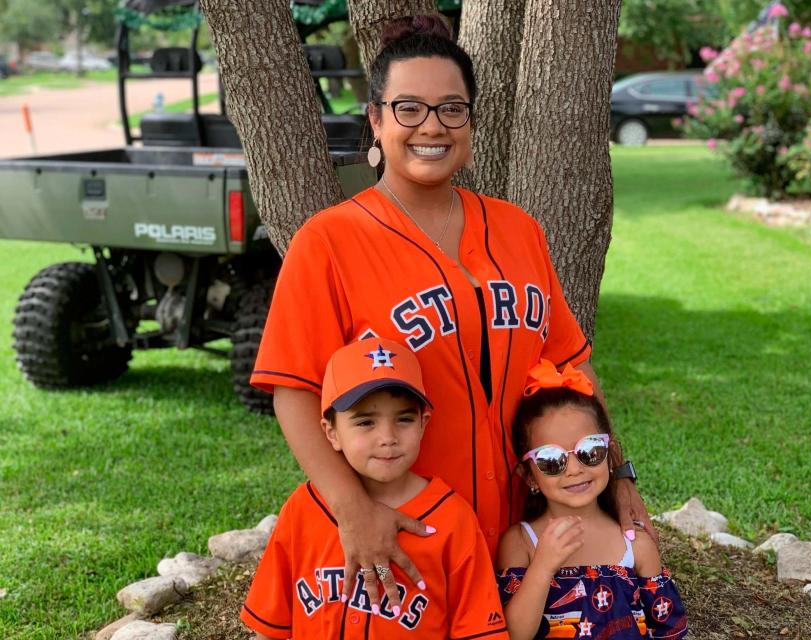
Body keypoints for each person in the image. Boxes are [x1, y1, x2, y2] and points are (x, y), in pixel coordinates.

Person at [250, 14, 655, 615]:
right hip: (413, 530)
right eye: (408, 108)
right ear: (377, 119)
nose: (431, 127)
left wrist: (618, 472)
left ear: (470, 120)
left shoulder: (518, 230)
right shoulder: (330, 240)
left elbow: (571, 368)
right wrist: (354, 510)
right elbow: (293, 390)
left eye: (451, 109)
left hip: (529, 528)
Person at [241, 337, 509, 640]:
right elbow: (269, 627)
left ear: (424, 423)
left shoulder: (452, 520)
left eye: (404, 419)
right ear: (331, 433)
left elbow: (478, 631)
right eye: (365, 422)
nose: (387, 437)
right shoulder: (302, 509)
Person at [496, 360, 688, 640]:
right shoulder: (521, 542)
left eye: (589, 450)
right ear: (529, 476)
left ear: (609, 454)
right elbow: (513, 635)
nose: (574, 469)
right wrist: (543, 566)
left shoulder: (636, 544)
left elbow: (668, 631)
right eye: (551, 460)